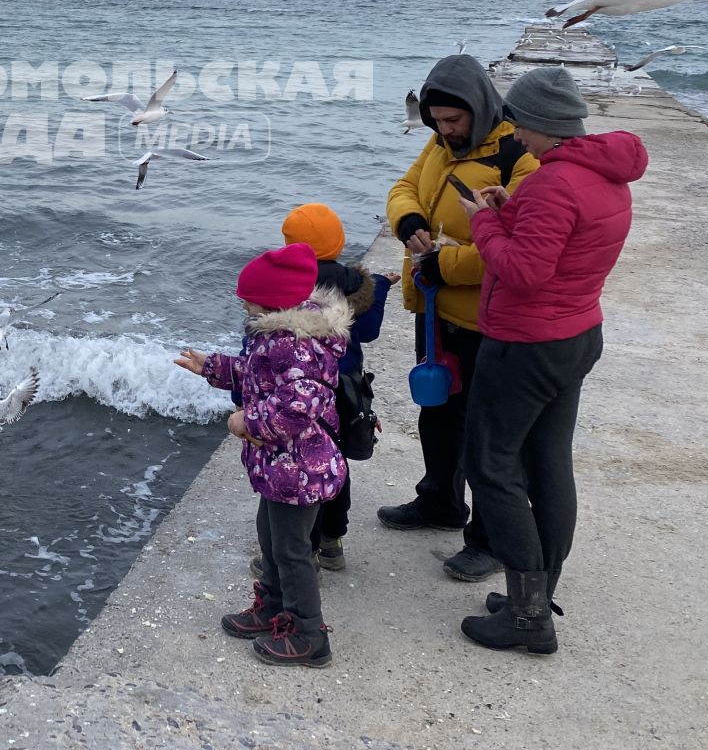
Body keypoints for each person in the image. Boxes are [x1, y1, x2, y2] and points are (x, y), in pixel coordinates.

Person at [455, 66, 647, 652]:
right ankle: (531, 596)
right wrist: (512, 208)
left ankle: (527, 616)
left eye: (520, 122)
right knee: (548, 463)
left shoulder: (553, 183)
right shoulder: (601, 175)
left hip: (526, 345)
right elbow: (563, 245)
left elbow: (524, 271)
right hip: (576, 335)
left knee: (490, 465)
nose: (514, 132)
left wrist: (484, 220)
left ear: (541, 124)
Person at [381, 54, 540, 582]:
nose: (446, 131)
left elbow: (516, 244)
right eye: (437, 122)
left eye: (455, 121)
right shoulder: (439, 142)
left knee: (486, 433)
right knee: (438, 413)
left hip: (486, 319)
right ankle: (439, 503)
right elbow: (404, 187)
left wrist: (442, 264)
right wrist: (408, 223)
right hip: (434, 311)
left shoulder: (519, 154)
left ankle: (490, 540)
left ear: (480, 106)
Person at [175, 243, 351, 668]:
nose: (242, 302)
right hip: (280, 468)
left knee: (293, 552)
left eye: (248, 297)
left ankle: (310, 634)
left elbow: (296, 407)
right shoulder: (276, 338)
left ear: (272, 301)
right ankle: (272, 607)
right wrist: (214, 367)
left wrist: (245, 423)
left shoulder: (299, 346)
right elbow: (258, 375)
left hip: (300, 469)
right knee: (271, 542)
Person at [279, 203, 395, 571]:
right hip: (345, 390)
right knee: (335, 464)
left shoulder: (284, 285)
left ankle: (304, 549)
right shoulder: (356, 284)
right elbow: (369, 331)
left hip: (302, 392)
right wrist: (380, 288)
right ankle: (332, 544)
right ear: (340, 242)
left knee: (300, 467)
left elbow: (263, 347)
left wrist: (242, 397)